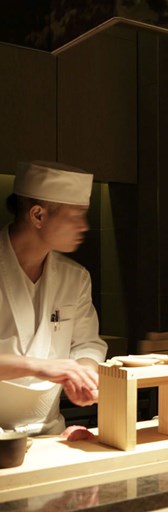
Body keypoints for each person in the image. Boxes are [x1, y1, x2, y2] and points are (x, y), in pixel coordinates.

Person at [0, 161, 107, 435]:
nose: (84, 226)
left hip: (50, 434)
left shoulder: (76, 277)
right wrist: (41, 367)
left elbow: (87, 343)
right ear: (37, 215)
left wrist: (83, 374)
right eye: (76, 216)